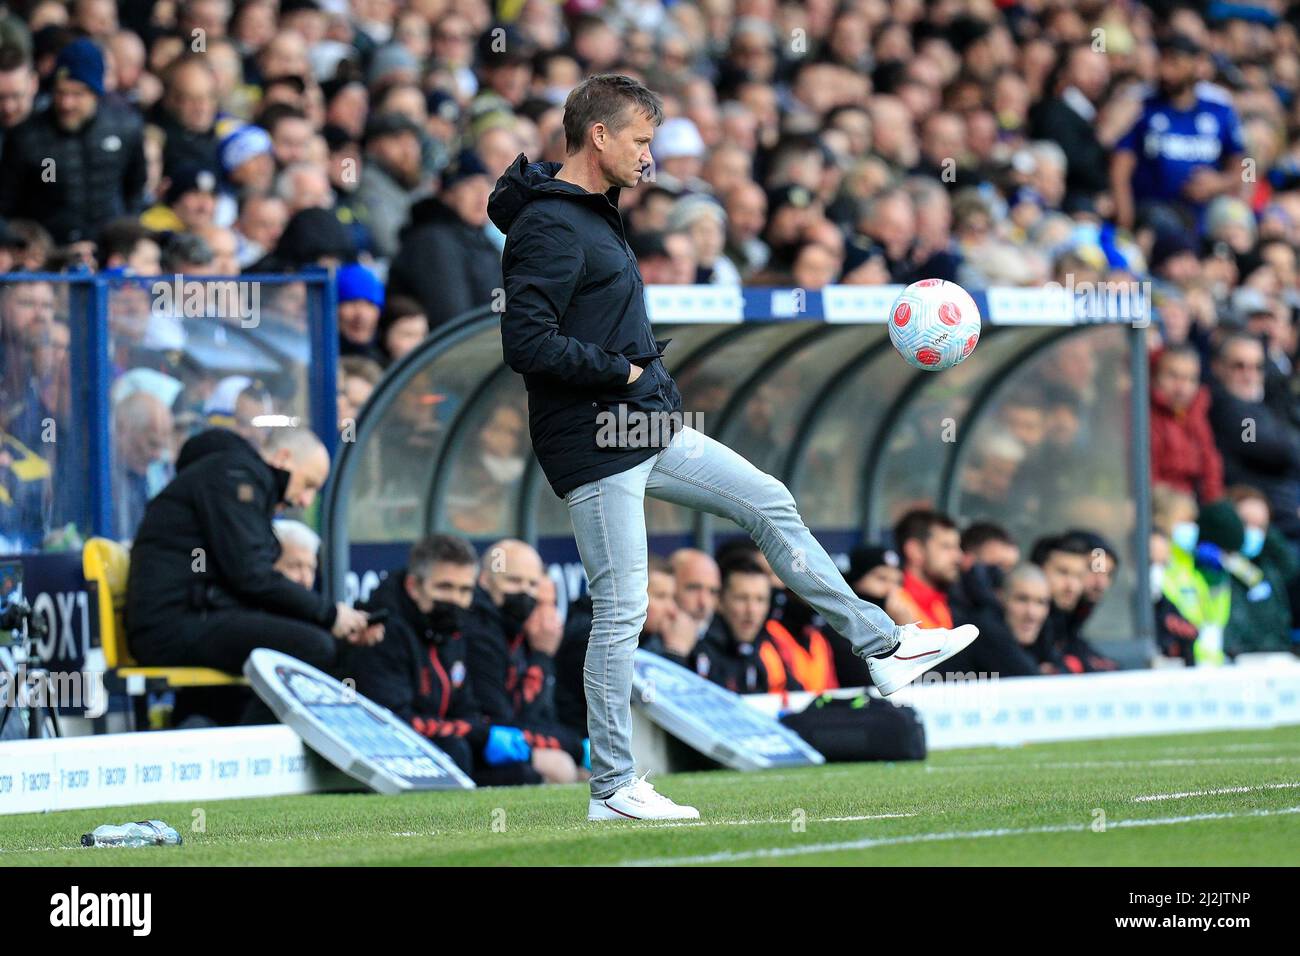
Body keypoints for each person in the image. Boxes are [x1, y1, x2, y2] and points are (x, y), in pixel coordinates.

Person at [488, 74, 977, 821]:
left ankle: (883, 647)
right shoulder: (551, 225)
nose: (649, 158)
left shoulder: (590, 211)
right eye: (641, 141)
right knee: (621, 611)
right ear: (598, 137)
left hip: (642, 424)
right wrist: (617, 368)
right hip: (593, 439)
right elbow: (526, 341)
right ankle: (613, 788)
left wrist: (642, 374)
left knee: (767, 500)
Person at [126, 426, 382, 675]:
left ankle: (210, 719)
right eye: (308, 485)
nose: (305, 501)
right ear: (283, 458)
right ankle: (246, 721)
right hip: (171, 626)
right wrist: (329, 615)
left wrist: (332, 622)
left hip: (189, 618)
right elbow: (252, 576)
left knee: (319, 642)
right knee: (314, 648)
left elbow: (246, 580)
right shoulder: (236, 477)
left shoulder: (233, 477)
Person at [351, 535, 563, 785]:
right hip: (384, 753)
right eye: (444, 587)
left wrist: (475, 732)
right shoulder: (382, 633)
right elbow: (393, 720)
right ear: (413, 586)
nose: (455, 599)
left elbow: (467, 709)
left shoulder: (451, 632)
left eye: (464, 590)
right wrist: (479, 734)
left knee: (518, 769)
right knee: (459, 750)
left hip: (444, 747)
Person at [0, 38, 148, 244]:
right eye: (60, 92)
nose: (66, 103)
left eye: (78, 94)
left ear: (96, 93)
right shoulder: (26, 137)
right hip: (50, 254)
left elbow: (136, 188)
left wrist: (125, 237)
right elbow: (7, 205)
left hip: (111, 247)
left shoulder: (127, 127)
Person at [460, 538, 583, 782]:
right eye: (514, 581)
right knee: (561, 766)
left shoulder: (524, 633)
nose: (525, 594)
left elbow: (546, 716)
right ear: (485, 580)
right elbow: (508, 721)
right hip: (475, 745)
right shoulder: (483, 631)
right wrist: (542, 656)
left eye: (532, 585)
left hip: (502, 739)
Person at [1149, 344, 1224, 504]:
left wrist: (1214, 508)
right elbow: (1149, 479)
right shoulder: (1145, 417)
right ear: (1155, 378)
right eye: (1173, 376)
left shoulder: (1197, 414)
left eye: (1190, 379)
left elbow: (1211, 469)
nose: (1182, 388)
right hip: (1159, 508)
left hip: (1193, 505)